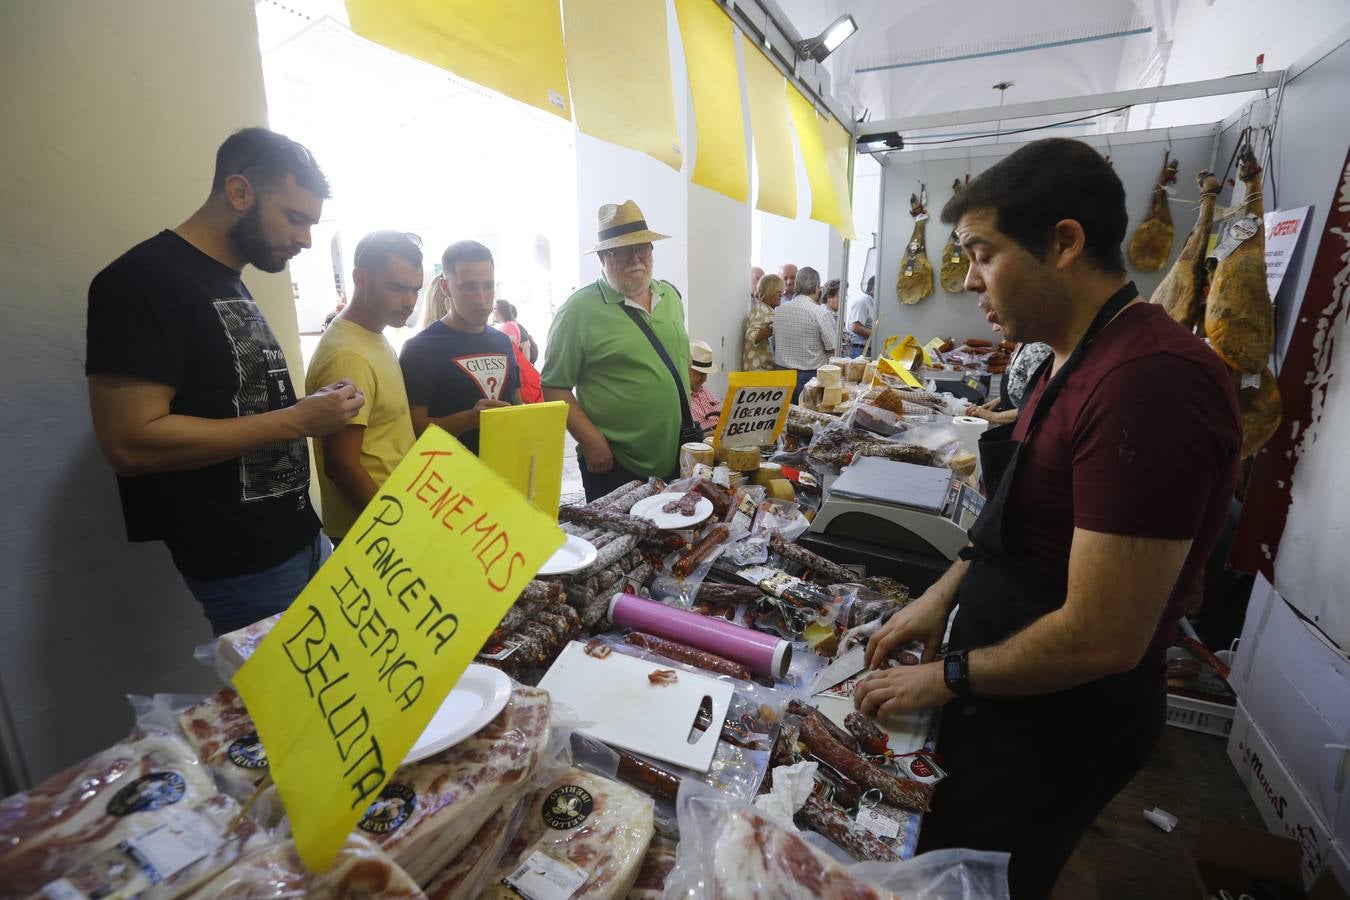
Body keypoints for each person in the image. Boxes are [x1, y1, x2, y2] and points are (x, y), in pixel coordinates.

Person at [853, 138, 1242, 898]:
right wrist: (940, 598)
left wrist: (950, 677)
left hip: (1062, 721)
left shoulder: (1150, 382)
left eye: (982, 254)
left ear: (1064, 242)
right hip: (1007, 692)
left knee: (980, 880)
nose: (968, 282)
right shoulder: (1071, 355)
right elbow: (1015, 518)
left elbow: (1103, 635)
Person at [85, 127, 363, 636]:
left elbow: (230, 406)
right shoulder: (141, 280)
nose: (305, 239)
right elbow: (130, 442)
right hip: (245, 562)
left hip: (300, 537)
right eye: (296, 218)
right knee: (292, 715)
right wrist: (297, 419)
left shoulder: (226, 276)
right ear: (239, 193)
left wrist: (306, 410)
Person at [541, 200, 693, 500]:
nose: (635, 258)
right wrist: (591, 440)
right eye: (622, 250)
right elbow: (553, 385)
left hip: (677, 456)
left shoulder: (670, 297)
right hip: (616, 463)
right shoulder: (577, 311)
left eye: (643, 247)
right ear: (601, 256)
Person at [306, 230, 421, 546]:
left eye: (415, 289)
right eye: (397, 288)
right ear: (361, 278)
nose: (409, 301)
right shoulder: (348, 355)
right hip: (372, 530)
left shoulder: (373, 335)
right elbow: (342, 466)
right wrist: (396, 526)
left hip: (392, 516)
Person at [399, 240, 520, 454]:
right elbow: (412, 429)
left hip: (508, 469)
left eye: (488, 285)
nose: (481, 298)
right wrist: (468, 420)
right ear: (446, 288)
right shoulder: (420, 349)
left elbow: (517, 403)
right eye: (469, 287)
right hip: (452, 479)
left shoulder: (502, 342)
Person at [772, 266, 836, 401]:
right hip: (810, 377)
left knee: (783, 417)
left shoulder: (779, 310)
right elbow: (832, 347)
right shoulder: (821, 313)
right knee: (806, 419)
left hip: (781, 375)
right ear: (817, 287)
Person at [495, 300, 544, 404]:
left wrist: (524, 367)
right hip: (517, 369)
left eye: (495, 309)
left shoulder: (507, 326)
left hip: (513, 370)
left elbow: (522, 346)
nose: (493, 312)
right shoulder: (512, 324)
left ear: (501, 311)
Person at [742, 273, 783, 371]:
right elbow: (752, 335)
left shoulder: (766, 309)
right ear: (769, 291)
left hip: (764, 369)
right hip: (758, 370)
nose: (781, 294)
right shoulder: (761, 310)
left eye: (782, 291)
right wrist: (770, 329)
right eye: (778, 291)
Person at [688, 340, 722, 433]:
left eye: (706, 373)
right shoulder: (680, 398)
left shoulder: (705, 391)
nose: (704, 379)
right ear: (686, 368)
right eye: (700, 373)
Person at [493, 299, 537, 364]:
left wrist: (525, 365)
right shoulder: (509, 324)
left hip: (509, 364)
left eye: (495, 308)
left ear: (502, 310)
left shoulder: (509, 326)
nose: (493, 311)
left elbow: (507, 349)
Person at [847, 275, 876, 357]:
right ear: (874, 287)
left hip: (867, 349)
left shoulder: (874, 304)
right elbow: (856, 327)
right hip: (859, 349)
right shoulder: (863, 302)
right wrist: (877, 335)